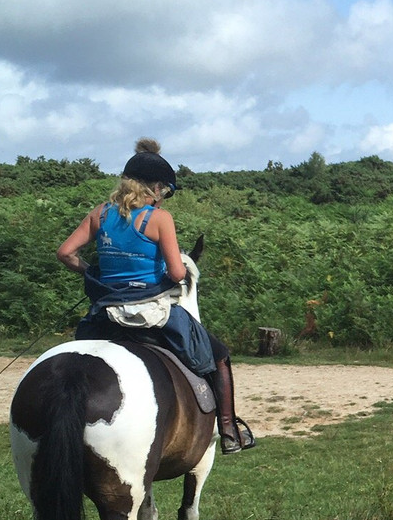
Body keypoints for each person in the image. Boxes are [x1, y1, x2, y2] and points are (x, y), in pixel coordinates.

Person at [57, 138, 255, 455]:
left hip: (106, 312)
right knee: (218, 353)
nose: (164, 197)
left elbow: (65, 253)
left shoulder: (100, 214)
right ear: (157, 187)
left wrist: (92, 271)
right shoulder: (158, 218)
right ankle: (230, 430)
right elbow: (177, 274)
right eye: (165, 191)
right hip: (150, 312)